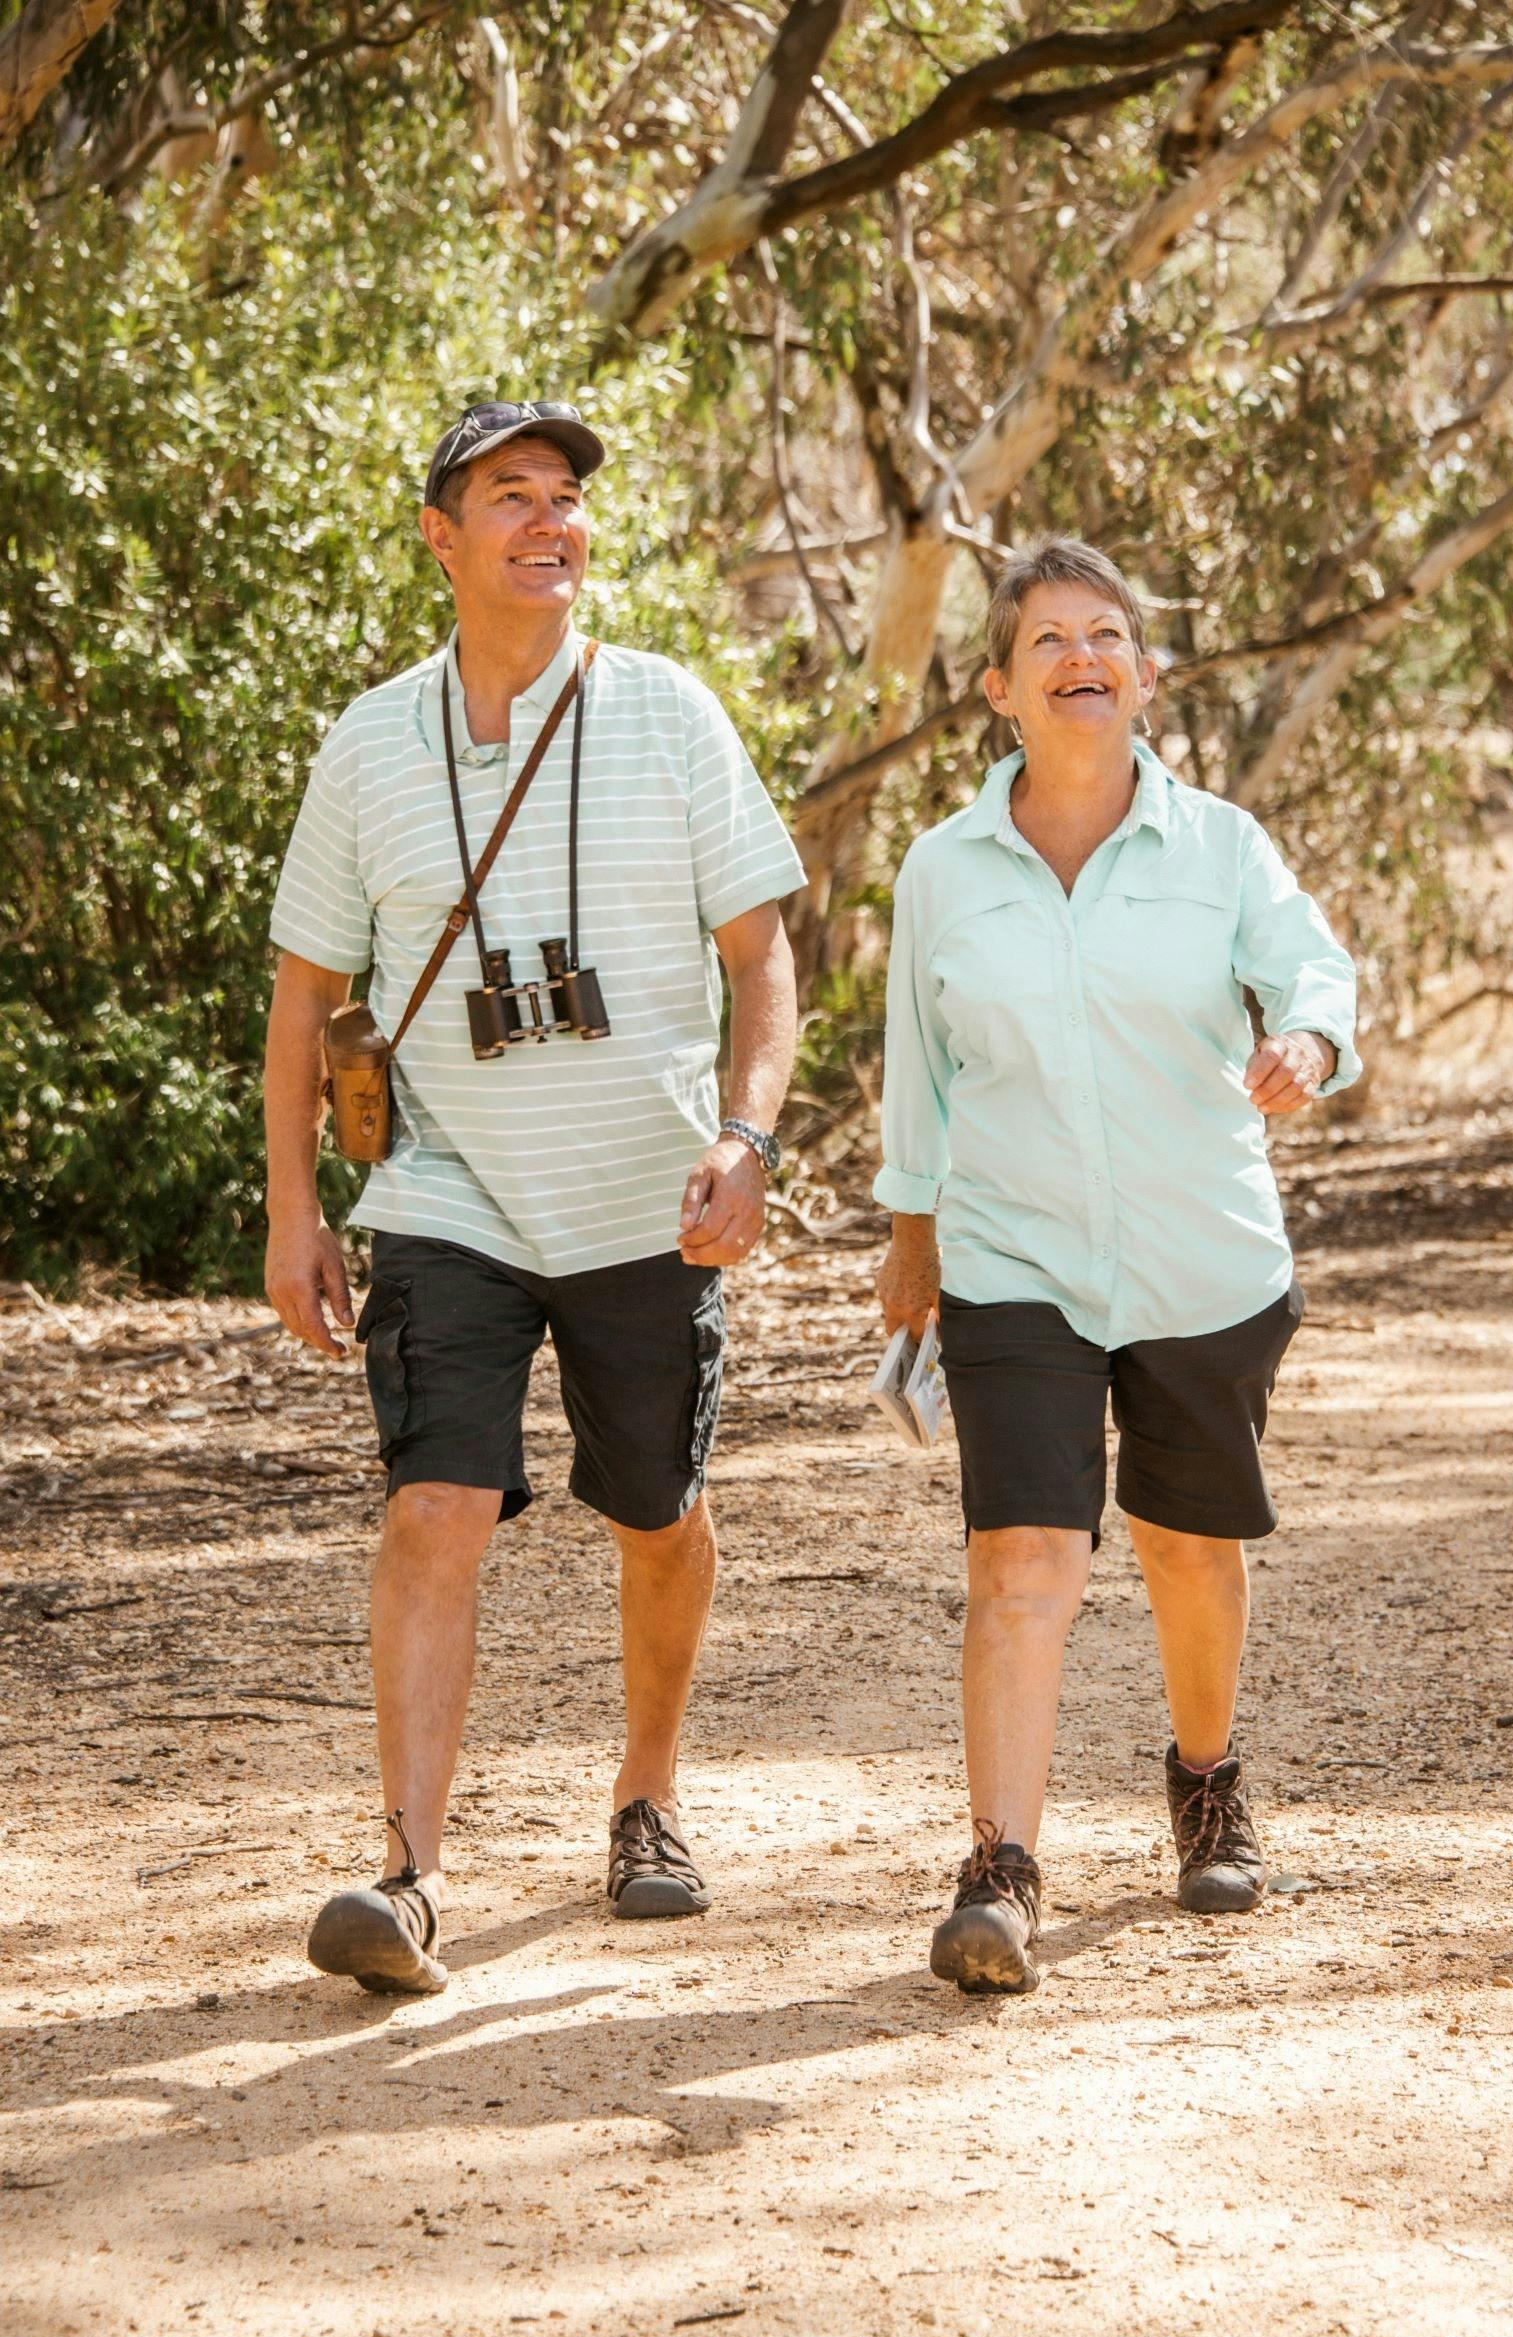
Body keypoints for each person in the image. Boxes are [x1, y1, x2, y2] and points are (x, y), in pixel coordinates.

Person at [264, 398, 803, 1995]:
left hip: (651, 1203)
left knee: (657, 1512)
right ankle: (408, 1875)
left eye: (565, 496)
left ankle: (646, 1796)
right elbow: (305, 995)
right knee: (434, 1508)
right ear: (441, 536)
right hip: (449, 1197)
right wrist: (295, 1209)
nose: (550, 520)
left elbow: (762, 960)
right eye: (512, 496)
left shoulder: (670, 716)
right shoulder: (370, 742)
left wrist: (750, 1136)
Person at [874, 535, 1360, 1997]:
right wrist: (911, 1235)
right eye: (1049, 642)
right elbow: (920, 1066)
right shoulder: (942, 872)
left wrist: (1306, 1043)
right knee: (1022, 1561)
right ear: (996, 689)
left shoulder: (1221, 848)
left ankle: (1205, 1776)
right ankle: (998, 1869)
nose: (1081, 660)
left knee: (1181, 1548)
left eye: (1107, 638)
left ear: (1146, 677)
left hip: (1196, 1259)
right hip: (1012, 1260)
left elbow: (1313, 971)